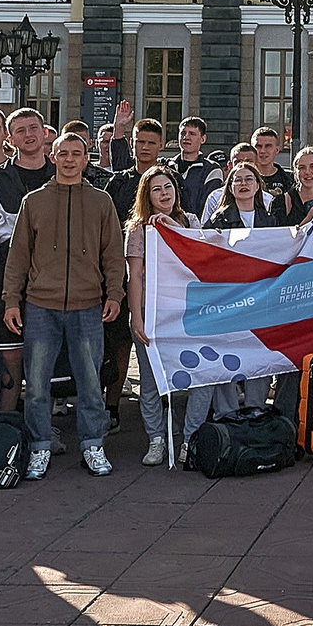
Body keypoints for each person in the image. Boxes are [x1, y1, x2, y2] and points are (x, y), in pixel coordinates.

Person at [3, 132, 126, 480]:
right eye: (63, 153)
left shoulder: (101, 201)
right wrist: (11, 299)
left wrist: (114, 294)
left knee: (90, 383)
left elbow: (113, 254)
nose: (70, 159)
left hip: (88, 305)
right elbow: (18, 256)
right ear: (52, 156)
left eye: (76, 153)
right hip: (41, 305)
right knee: (36, 385)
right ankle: (40, 446)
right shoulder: (34, 201)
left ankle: (93, 445)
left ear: (86, 159)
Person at [0, 109, 56, 412]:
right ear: (10, 138)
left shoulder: (62, 174)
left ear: (45, 133)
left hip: (54, 281)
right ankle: (6, 422)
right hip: (5, 282)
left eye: (33, 128)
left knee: (46, 358)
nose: (28, 135)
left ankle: (41, 425)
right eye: (20, 130)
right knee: (9, 359)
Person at [123, 168, 201, 465]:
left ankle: (190, 438)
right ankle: (156, 438)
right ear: (147, 196)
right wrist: (136, 317)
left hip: (185, 311)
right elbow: (134, 276)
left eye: (168, 187)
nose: (164, 193)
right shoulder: (137, 229)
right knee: (150, 379)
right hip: (151, 312)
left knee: (199, 377)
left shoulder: (190, 221)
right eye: (156, 189)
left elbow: (200, 256)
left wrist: (173, 226)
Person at [202, 160, 291, 231]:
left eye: (249, 179)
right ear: (230, 188)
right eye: (238, 180)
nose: (243, 183)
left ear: (257, 186)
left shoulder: (269, 220)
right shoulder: (218, 220)